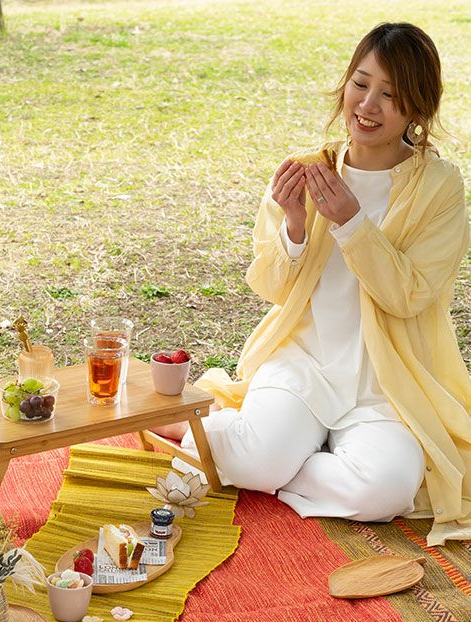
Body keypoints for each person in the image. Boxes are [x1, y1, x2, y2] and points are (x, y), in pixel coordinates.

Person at [155, 23, 470, 545]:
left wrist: (351, 222)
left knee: (387, 490)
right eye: (360, 84)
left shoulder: (440, 186)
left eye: (390, 95)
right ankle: (260, 448)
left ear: (418, 108)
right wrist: (295, 227)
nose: (367, 105)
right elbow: (271, 286)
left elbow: (411, 295)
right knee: (259, 458)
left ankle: (260, 452)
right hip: (304, 362)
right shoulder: (309, 169)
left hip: (384, 382)